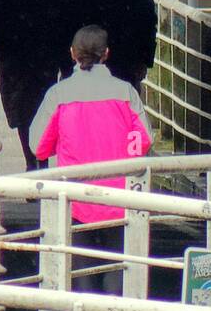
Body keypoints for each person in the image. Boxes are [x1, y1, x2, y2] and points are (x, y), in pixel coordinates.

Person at [29, 26, 151, 295]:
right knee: (118, 268)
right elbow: (144, 140)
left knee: (80, 272)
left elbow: (38, 147)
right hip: (120, 198)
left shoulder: (58, 95)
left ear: (72, 54)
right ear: (106, 54)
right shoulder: (125, 92)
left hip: (76, 198)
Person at [0, 0, 70, 171]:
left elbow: (63, 29)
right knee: (24, 116)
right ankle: (33, 159)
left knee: (39, 114)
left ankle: (38, 160)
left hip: (41, 63)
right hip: (18, 63)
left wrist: (64, 63)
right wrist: (2, 56)